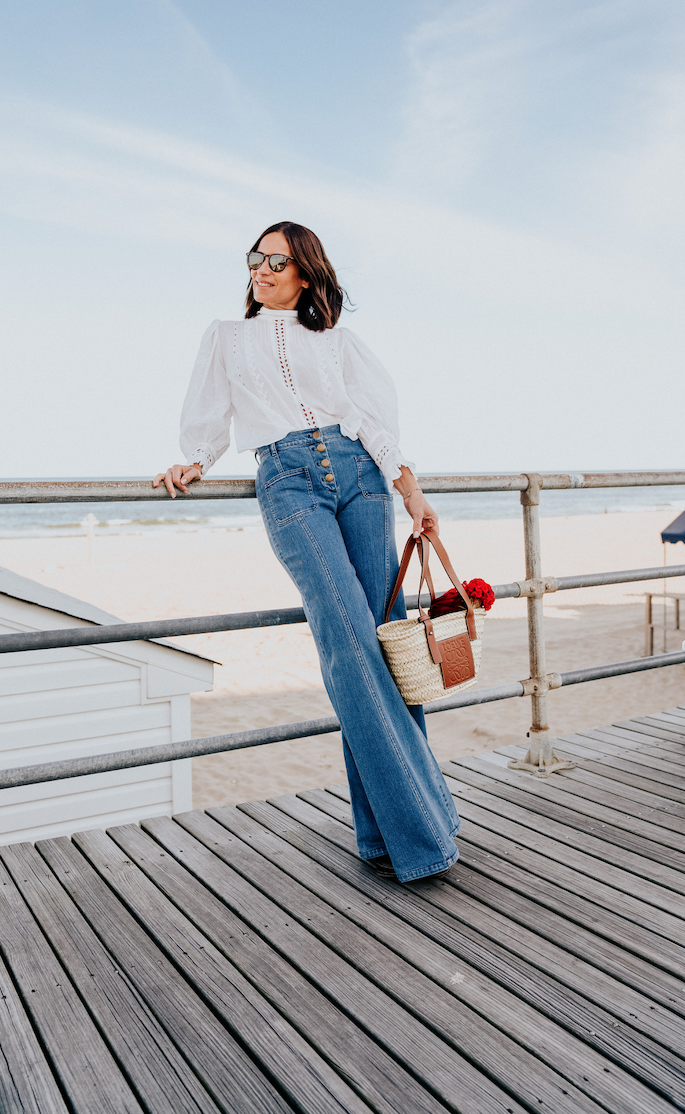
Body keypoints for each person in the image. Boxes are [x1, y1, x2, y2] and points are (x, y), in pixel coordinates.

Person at [154, 222, 459, 882]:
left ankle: (384, 837)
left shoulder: (339, 342)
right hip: (288, 478)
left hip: (360, 476)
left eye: (276, 261)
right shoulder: (226, 338)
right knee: (349, 643)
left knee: (384, 641)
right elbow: (209, 417)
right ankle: (426, 832)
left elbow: (376, 426)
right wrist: (194, 461)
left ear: (306, 274)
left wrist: (413, 493)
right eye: (255, 258)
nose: (260, 269)